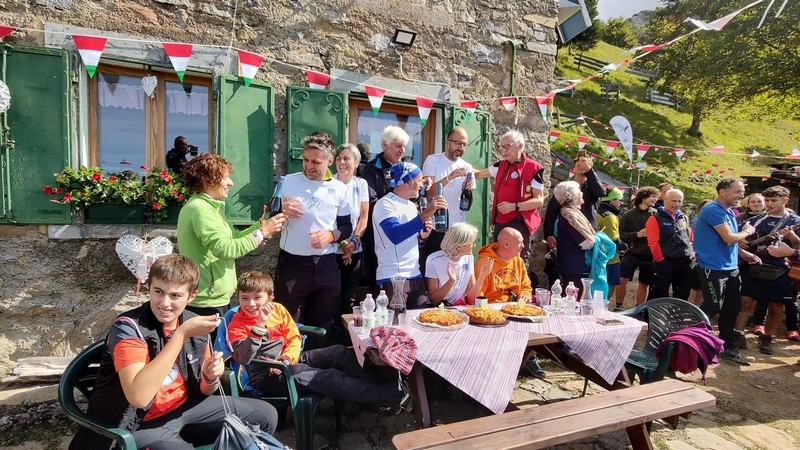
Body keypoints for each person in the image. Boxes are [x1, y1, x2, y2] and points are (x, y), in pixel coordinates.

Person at [69, 255, 279, 450]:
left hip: (184, 409)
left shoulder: (192, 322)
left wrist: (209, 375)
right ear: (148, 289)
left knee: (266, 415)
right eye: (158, 292)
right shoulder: (128, 328)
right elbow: (139, 399)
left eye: (175, 295)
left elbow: (205, 389)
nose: (165, 303)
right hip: (138, 424)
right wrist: (180, 336)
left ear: (191, 295)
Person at [227, 271, 407, 408]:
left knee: (339, 352)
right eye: (245, 298)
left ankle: (377, 391)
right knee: (330, 377)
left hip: (287, 360)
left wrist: (288, 358)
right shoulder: (237, 323)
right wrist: (258, 326)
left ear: (270, 297)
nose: (251, 304)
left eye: (257, 298)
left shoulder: (278, 309)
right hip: (268, 376)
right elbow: (243, 358)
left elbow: (294, 336)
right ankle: (392, 396)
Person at [178, 153, 286, 339]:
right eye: (225, 177)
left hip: (214, 298)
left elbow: (232, 239)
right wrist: (263, 233)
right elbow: (226, 249)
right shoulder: (200, 209)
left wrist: (260, 226)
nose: (230, 183)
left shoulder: (209, 207)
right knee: (210, 361)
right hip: (206, 302)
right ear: (207, 179)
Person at [274, 132, 352, 337]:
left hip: (325, 266)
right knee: (288, 324)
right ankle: (290, 367)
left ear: (329, 161)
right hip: (292, 266)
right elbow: (269, 216)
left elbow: (347, 227)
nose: (309, 166)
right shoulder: (289, 181)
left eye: (316, 162)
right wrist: (282, 211)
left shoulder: (340, 188)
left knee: (322, 325)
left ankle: (316, 368)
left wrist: (330, 236)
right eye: (305, 160)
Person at [694, 177, 760, 364]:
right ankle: (693, 341)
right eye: (738, 191)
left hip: (731, 268)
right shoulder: (713, 210)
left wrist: (744, 255)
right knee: (713, 306)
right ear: (723, 191)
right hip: (712, 267)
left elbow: (729, 242)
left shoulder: (729, 211)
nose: (742, 195)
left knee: (732, 307)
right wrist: (747, 230)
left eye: (742, 191)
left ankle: (725, 345)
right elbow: (729, 238)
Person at [735, 186, 800, 354]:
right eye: (767, 201)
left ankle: (767, 339)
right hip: (752, 266)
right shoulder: (758, 219)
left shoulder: (795, 221)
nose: (769, 204)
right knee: (746, 303)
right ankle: (737, 335)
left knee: (776, 307)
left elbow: (798, 247)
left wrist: (792, 237)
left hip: (780, 270)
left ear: (785, 200)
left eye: (774, 200)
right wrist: (740, 241)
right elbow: (736, 235)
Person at [373, 162, 445, 308]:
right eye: (419, 180)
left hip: (415, 274)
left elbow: (409, 240)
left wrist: (421, 238)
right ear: (408, 181)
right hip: (394, 277)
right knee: (396, 327)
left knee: (421, 323)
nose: (422, 185)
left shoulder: (412, 205)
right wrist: (427, 213)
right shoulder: (385, 204)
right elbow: (395, 235)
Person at [474, 130, 545, 262]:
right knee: (499, 258)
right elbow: (478, 174)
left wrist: (514, 206)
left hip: (520, 222)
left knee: (518, 260)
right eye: (502, 147)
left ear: (520, 146)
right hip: (501, 221)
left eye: (507, 146)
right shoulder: (500, 165)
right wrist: (460, 167)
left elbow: (539, 200)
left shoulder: (534, 168)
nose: (504, 151)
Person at [361, 126, 410, 290]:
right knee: (380, 286)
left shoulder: (407, 168)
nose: (402, 151)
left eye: (404, 146)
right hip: (378, 235)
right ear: (384, 145)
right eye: (398, 146)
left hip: (402, 235)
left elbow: (413, 199)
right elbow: (372, 202)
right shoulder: (370, 169)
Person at [421, 127, 476, 268]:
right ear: (447, 142)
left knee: (458, 271)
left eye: (464, 144)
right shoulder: (433, 160)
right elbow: (428, 193)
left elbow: (467, 204)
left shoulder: (467, 167)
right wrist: (449, 177)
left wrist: (467, 189)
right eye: (457, 143)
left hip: (458, 229)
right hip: (437, 228)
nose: (461, 147)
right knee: (435, 271)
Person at [332, 143, 369, 339]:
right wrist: (342, 244)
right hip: (332, 249)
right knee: (332, 294)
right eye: (339, 158)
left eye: (347, 158)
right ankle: (331, 333)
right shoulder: (329, 183)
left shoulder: (360, 185)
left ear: (356, 163)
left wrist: (353, 242)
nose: (342, 162)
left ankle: (347, 337)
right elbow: (328, 219)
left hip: (355, 249)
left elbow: (363, 217)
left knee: (350, 295)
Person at [543, 154, 605, 259]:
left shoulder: (592, 186)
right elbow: (551, 212)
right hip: (568, 234)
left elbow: (601, 192)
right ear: (573, 168)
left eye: (583, 163)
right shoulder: (565, 188)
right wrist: (548, 234)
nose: (580, 165)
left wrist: (589, 171)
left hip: (588, 233)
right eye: (578, 164)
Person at [425, 223, 491, 306]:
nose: (474, 246)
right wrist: (451, 281)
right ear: (459, 246)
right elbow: (434, 299)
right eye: (472, 243)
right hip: (442, 310)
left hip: (461, 307)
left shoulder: (468, 257)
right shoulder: (433, 260)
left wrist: (482, 275)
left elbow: (471, 297)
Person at [646, 189, 694, 300]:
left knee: (682, 295)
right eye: (673, 201)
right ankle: (651, 315)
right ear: (665, 200)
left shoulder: (683, 217)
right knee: (659, 294)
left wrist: (693, 253)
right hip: (666, 262)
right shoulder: (655, 218)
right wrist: (660, 260)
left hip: (685, 262)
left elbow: (690, 236)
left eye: (679, 201)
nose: (676, 204)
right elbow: (653, 242)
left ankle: (676, 316)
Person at [553, 180, 596, 297]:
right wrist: (599, 240)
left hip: (574, 264)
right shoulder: (570, 215)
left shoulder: (572, 212)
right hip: (574, 266)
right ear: (571, 195)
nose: (581, 193)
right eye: (579, 191)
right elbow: (585, 242)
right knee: (574, 301)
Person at [618, 186, 659, 306]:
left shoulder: (656, 215)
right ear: (643, 196)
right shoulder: (628, 215)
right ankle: (618, 306)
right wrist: (636, 234)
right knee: (622, 279)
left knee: (644, 284)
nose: (655, 199)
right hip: (632, 253)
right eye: (653, 196)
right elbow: (621, 235)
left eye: (656, 196)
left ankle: (639, 309)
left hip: (649, 255)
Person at [475, 227, 533, 304]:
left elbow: (526, 287)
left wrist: (524, 295)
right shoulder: (485, 263)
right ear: (506, 244)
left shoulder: (519, 261)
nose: (523, 246)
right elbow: (478, 295)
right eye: (519, 243)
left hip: (515, 306)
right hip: (492, 308)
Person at [596, 188, 627, 306]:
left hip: (598, 255)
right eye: (620, 199)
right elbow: (614, 240)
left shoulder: (597, 211)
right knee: (609, 284)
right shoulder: (610, 217)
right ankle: (601, 306)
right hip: (610, 258)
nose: (621, 202)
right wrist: (625, 246)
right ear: (612, 200)